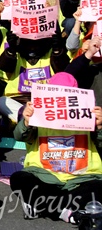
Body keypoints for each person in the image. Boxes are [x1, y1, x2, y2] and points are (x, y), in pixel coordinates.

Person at [11, 71, 102, 219]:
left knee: (98, 187)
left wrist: (99, 127)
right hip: (44, 176)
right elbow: (19, 136)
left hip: (82, 178)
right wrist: (27, 122)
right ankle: (68, 211)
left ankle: (43, 206)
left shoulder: (88, 114)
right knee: (19, 179)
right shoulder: (37, 113)